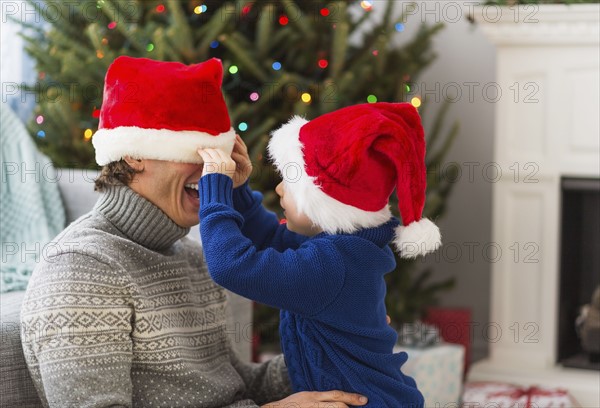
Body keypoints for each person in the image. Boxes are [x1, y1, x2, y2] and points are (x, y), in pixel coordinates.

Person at [20, 56, 368, 408]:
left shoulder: (189, 254)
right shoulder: (83, 269)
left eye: (220, 157)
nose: (216, 173)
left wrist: (333, 343)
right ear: (134, 154)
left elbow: (233, 385)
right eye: (197, 152)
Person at [197, 103, 442, 407]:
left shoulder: (331, 264)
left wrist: (214, 193)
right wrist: (238, 192)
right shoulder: (346, 249)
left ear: (324, 201)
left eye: (291, 181)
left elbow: (231, 267)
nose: (279, 189)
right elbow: (274, 240)